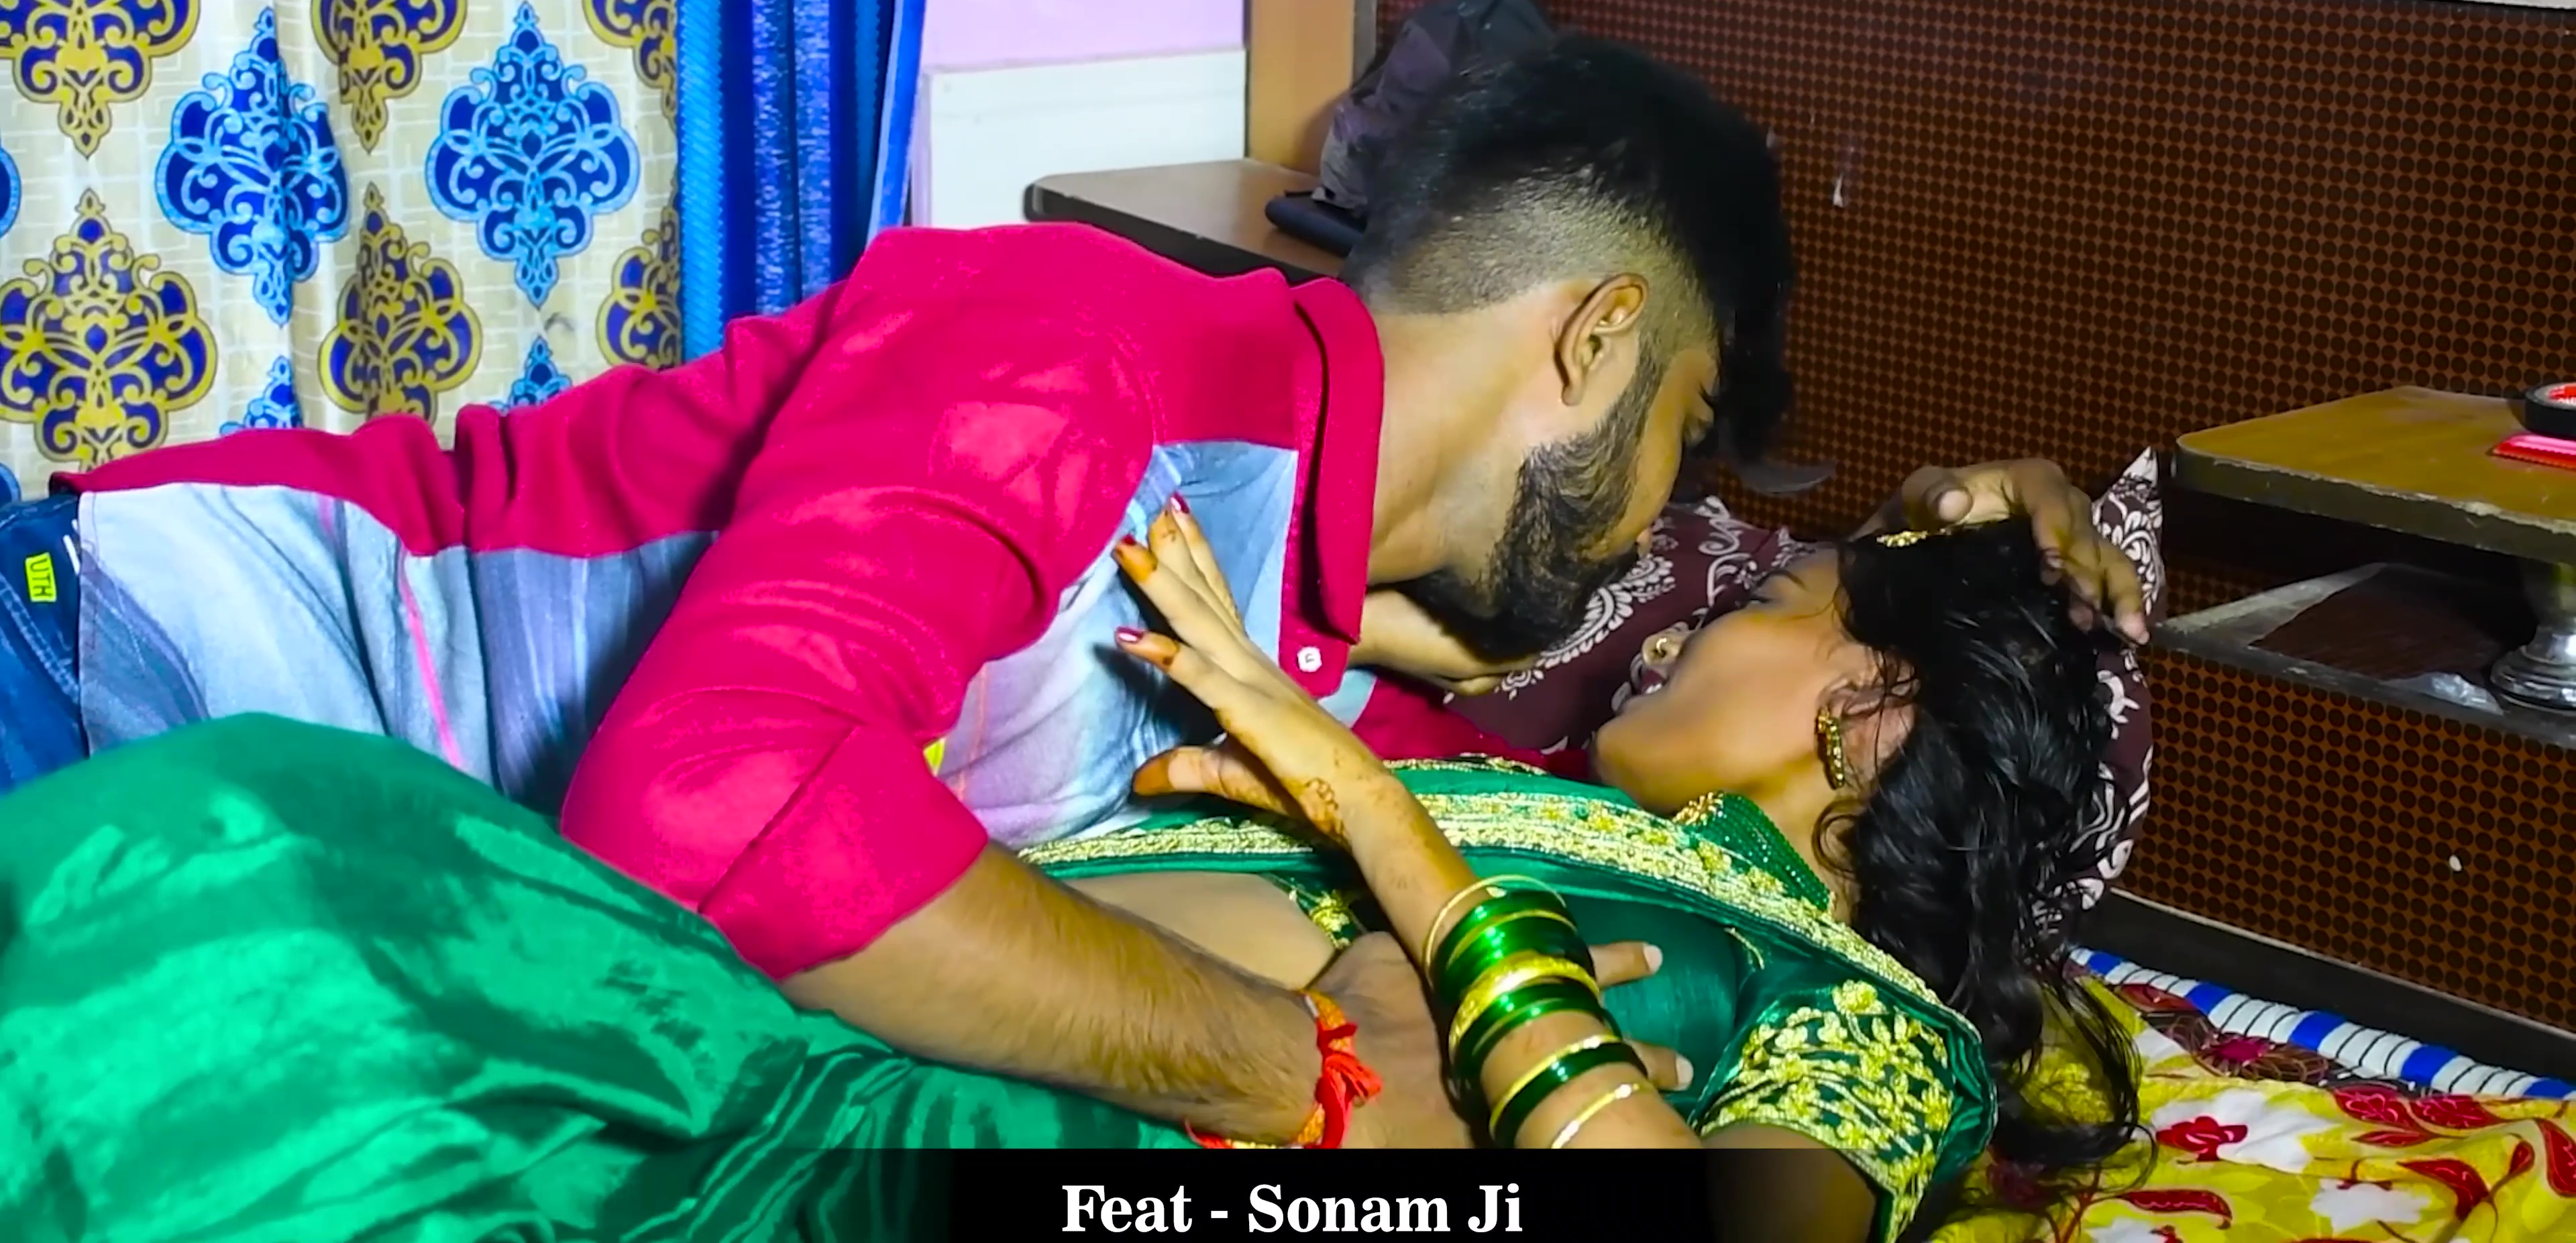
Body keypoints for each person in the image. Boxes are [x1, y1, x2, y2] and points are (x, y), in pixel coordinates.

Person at [0, 34, 2144, 1148]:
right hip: (135, 674)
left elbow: (1647, 810)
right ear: (1587, 344)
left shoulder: (1320, 662)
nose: (1658, 552)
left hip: (338, 935)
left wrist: (1975, 521)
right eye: (1678, 439)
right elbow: (713, 817)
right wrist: (1272, 1070)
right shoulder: (1083, 357)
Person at [0, 500, 2131, 1242]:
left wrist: (1393, 844)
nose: (1685, 624)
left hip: (999, 1163)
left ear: (1875, 717)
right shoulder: (1532, 782)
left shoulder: (1876, 1026)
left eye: (1775, 600)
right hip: (786, 1038)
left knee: (255, 942)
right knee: (285, 834)